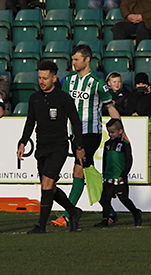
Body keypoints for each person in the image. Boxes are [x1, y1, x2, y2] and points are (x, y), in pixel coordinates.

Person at [50, 45, 121, 228]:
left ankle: (68, 215)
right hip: (75, 134)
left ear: (87, 60)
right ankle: (109, 211)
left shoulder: (97, 83)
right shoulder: (69, 81)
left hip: (91, 134)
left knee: (78, 170)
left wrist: (123, 133)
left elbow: (110, 108)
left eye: (76, 59)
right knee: (88, 175)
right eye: (72, 59)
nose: (73, 63)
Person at [17, 61, 84, 234]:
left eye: (45, 78)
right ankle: (74, 212)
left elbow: (76, 122)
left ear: (54, 78)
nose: (42, 81)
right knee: (49, 188)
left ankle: (41, 226)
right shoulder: (35, 98)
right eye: (39, 77)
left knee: (47, 184)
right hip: (42, 147)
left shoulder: (63, 98)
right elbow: (30, 122)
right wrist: (23, 141)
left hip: (59, 147)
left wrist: (79, 145)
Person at [94, 119, 143, 227]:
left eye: (112, 132)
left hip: (120, 178)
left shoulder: (125, 144)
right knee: (105, 199)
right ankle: (105, 219)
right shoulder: (107, 144)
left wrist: (123, 175)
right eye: (109, 132)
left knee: (124, 199)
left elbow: (129, 161)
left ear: (120, 131)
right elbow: (105, 160)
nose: (110, 134)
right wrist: (104, 174)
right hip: (108, 177)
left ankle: (136, 213)